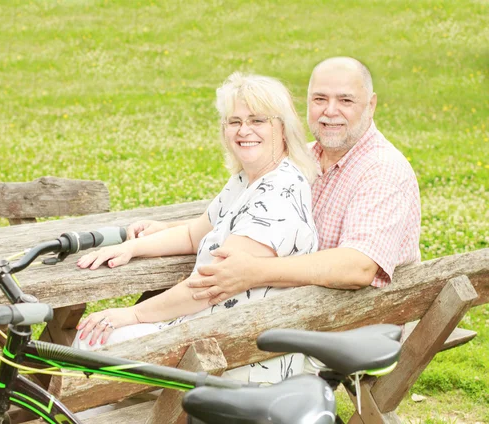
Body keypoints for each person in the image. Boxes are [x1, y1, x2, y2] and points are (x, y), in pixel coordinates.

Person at [72, 72, 318, 381]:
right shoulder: (248, 179)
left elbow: (209, 287)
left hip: (234, 357)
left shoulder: (278, 192)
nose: (244, 131)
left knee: (87, 342)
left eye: (257, 120)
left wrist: (131, 314)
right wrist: (132, 247)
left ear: (283, 128)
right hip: (213, 337)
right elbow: (193, 234)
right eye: (234, 121)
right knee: (91, 346)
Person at [128, 57, 421, 304]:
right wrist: (172, 229)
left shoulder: (382, 170)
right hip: (294, 306)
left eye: (345, 100)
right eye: (320, 99)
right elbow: (249, 216)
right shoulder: (302, 158)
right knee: (169, 305)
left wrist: (255, 271)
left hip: (354, 321)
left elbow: (357, 267)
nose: (330, 111)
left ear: (370, 105)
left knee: (169, 314)